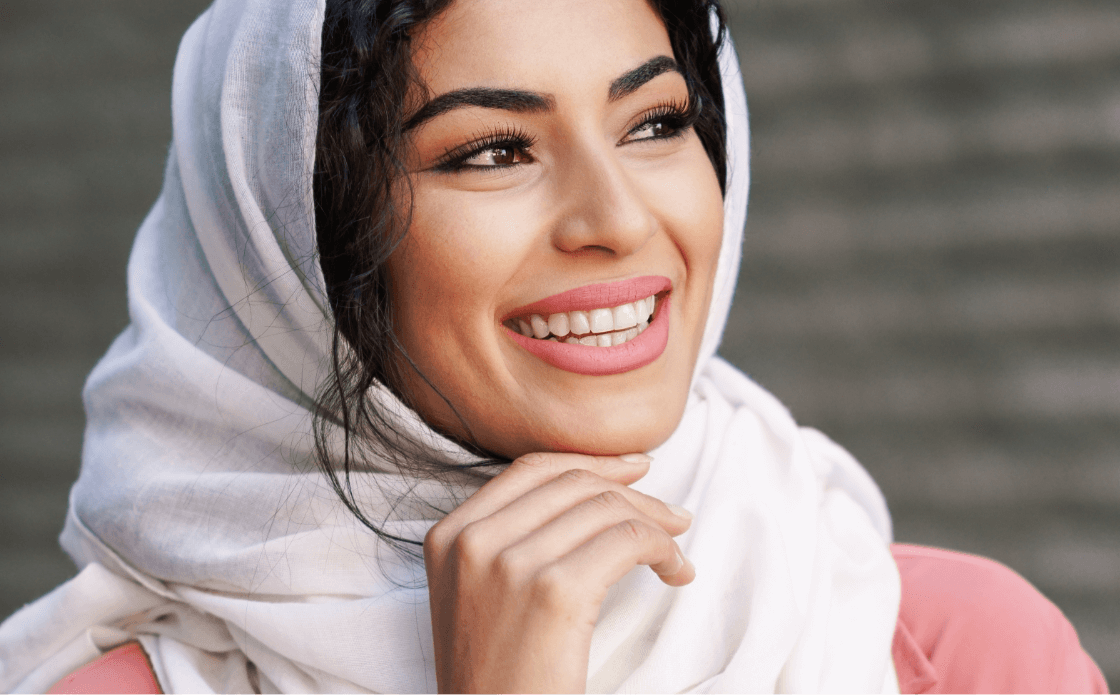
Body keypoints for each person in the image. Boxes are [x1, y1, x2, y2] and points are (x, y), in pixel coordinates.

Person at [0, 0, 1108, 693]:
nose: (616, 217)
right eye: (489, 151)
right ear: (293, 244)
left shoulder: (948, 652)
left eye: (657, 123)